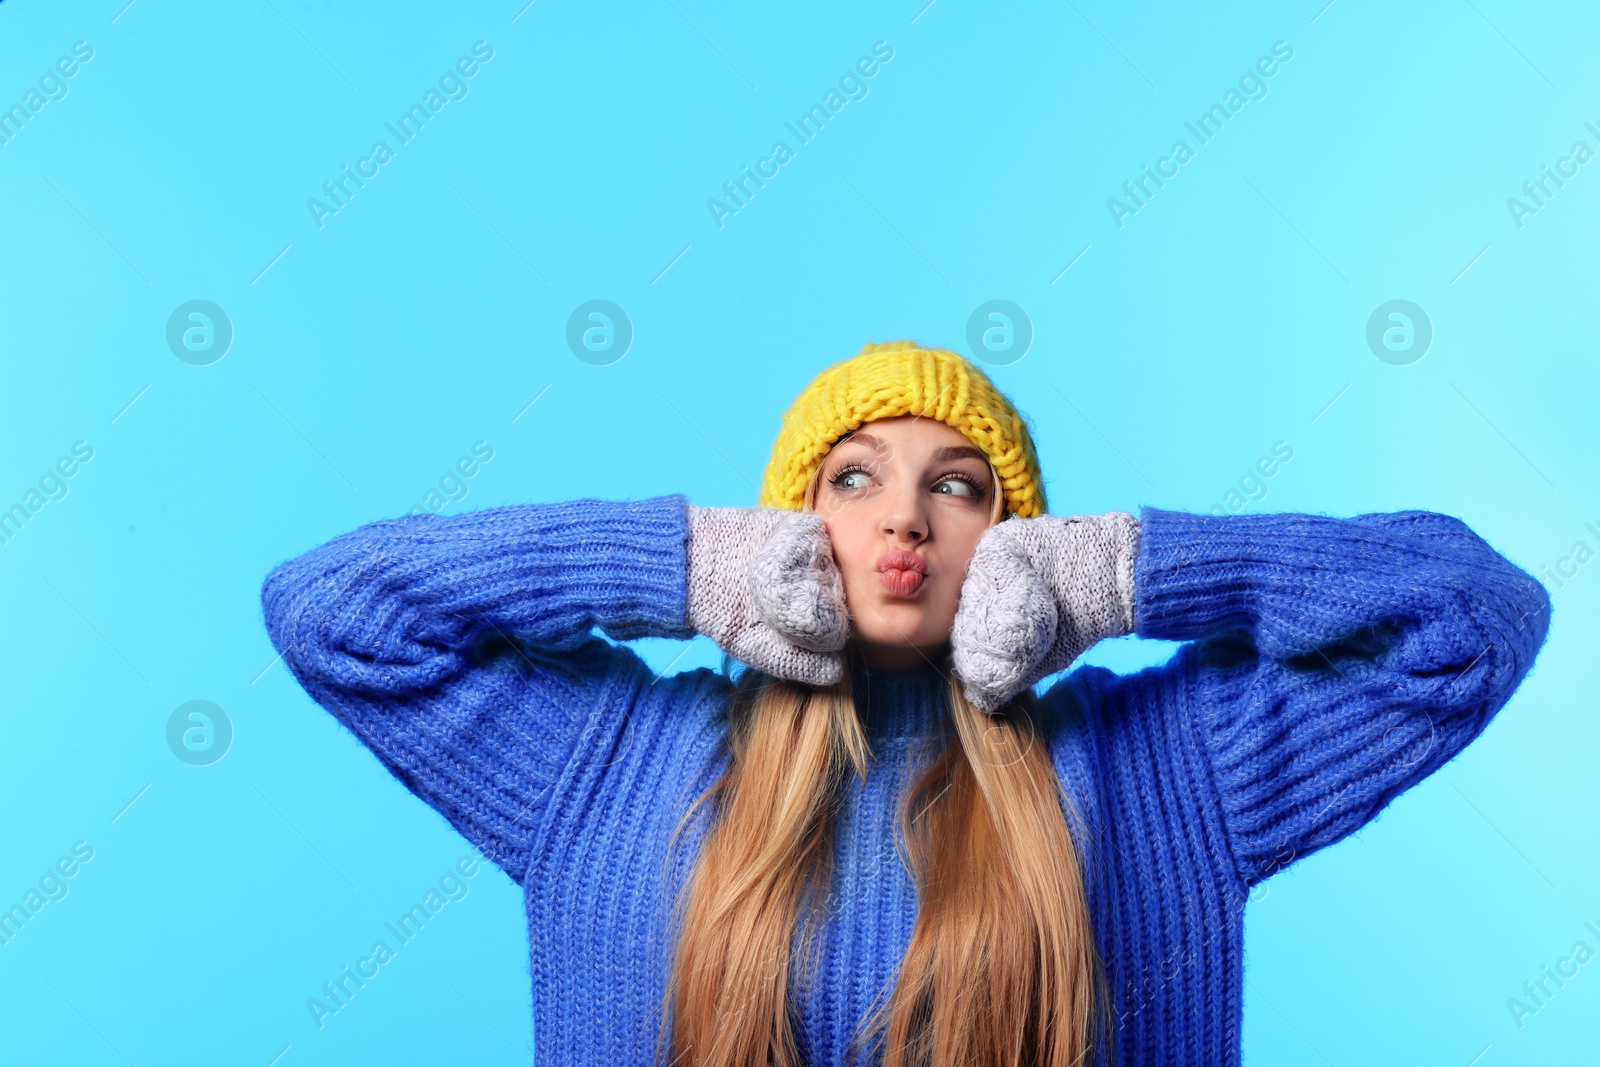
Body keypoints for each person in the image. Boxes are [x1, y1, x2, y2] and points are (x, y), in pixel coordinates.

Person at [259, 340, 1552, 1067]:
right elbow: (333, 610)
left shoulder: (1161, 774)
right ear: (786, 524)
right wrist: (688, 565)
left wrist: (1122, 577)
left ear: (1019, 544)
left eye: (961, 487)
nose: (903, 520)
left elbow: (1469, 621)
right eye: (854, 477)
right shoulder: (611, 770)